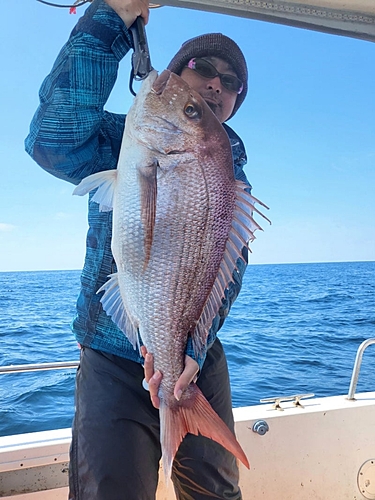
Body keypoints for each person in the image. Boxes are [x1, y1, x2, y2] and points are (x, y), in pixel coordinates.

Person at [25, 0, 251, 498]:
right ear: (172, 76)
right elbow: (50, 139)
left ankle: (183, 393)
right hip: (110, 355)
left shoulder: (232, 180)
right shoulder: (119, 141)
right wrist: (111, 19)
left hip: (196, 357)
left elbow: (227, 271)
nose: (216, 83)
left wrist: (190, 351)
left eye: (230, 82)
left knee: (216, 492)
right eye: (202, 69)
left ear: (234, 102)